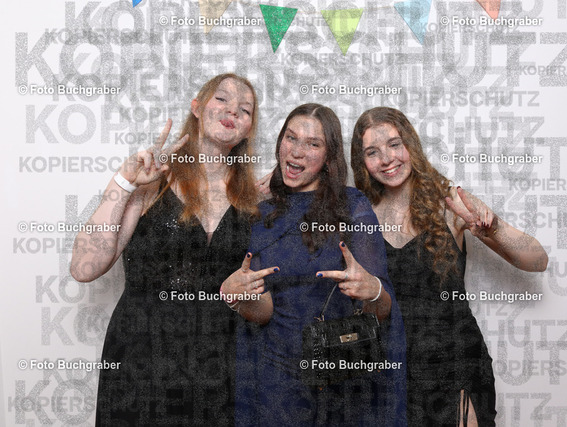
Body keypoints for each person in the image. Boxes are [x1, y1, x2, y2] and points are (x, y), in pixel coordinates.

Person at [70, 73, 272, 425]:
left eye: (245, 109)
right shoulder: (154, 179)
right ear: (197, 108)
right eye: (221, 99)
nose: (233, 111)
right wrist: (123, 182)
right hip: (141, 358)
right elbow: (84, 267)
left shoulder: (251, 200)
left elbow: (263, 303)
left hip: (218, 366)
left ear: (248, 129)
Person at [350, 107, 549, 426]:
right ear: (362, 162)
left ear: (410, 145)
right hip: (390, 370)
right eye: (372, 152)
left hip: (456, 365)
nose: (386, 158)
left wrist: (493, 228)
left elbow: (537, 260)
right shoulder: (360, 218)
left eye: (394, 144)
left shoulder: (450, 204)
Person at [227, 103, 407, 426]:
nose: (297, 151)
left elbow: (382, 310)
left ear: (329, 156)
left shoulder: (353, 207)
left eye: (313, 144)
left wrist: (373, 289)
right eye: (291, 138)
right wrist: (237, 298)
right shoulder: (263, 214)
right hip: (276, 385)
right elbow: (264, 311)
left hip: (339, 384)